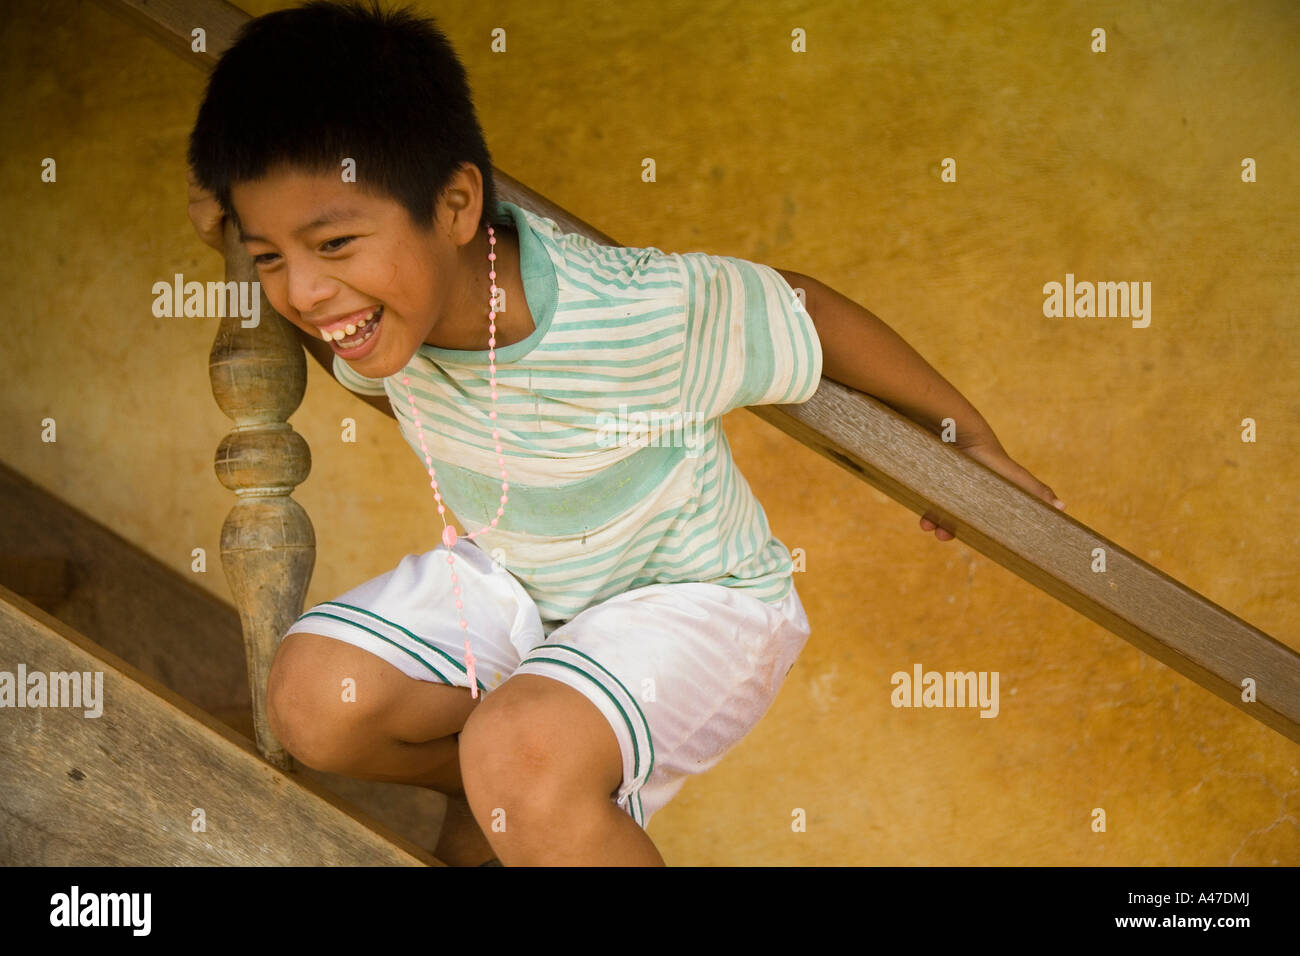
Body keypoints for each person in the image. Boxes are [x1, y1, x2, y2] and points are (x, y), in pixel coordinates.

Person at [186, 0, 1063, 866]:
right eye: (269, 259)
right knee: (309, 704)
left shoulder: (631, 312)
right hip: (521, 590)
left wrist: (965, 439)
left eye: (333, 244)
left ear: (456, 206)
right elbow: (318, 307)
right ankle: (492, 782)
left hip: (699, 600)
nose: (301, 293)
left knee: (520, 751)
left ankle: (514, 774)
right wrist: (232, 239)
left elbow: (809, 311)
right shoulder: (388, 319)